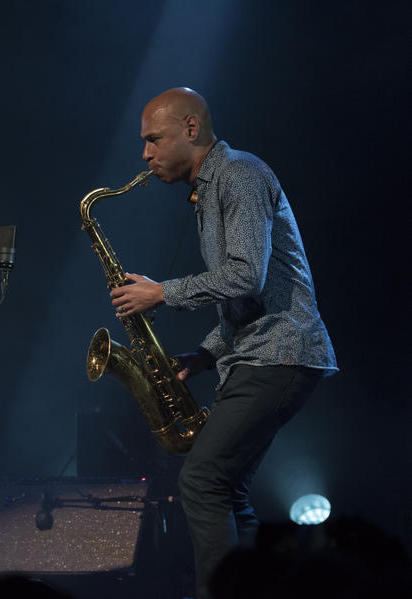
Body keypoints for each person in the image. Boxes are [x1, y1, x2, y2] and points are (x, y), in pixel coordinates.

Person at [109, 87, 337, 599]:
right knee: (227, 490)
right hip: (261, 354)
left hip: (280, 354)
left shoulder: (239, 174)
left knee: (201, 482)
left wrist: (162, 292)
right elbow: (252, 296)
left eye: (153, 139)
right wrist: (205, 355)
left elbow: (243, 278)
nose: (145, 154)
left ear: (191, 130)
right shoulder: (211, 188)